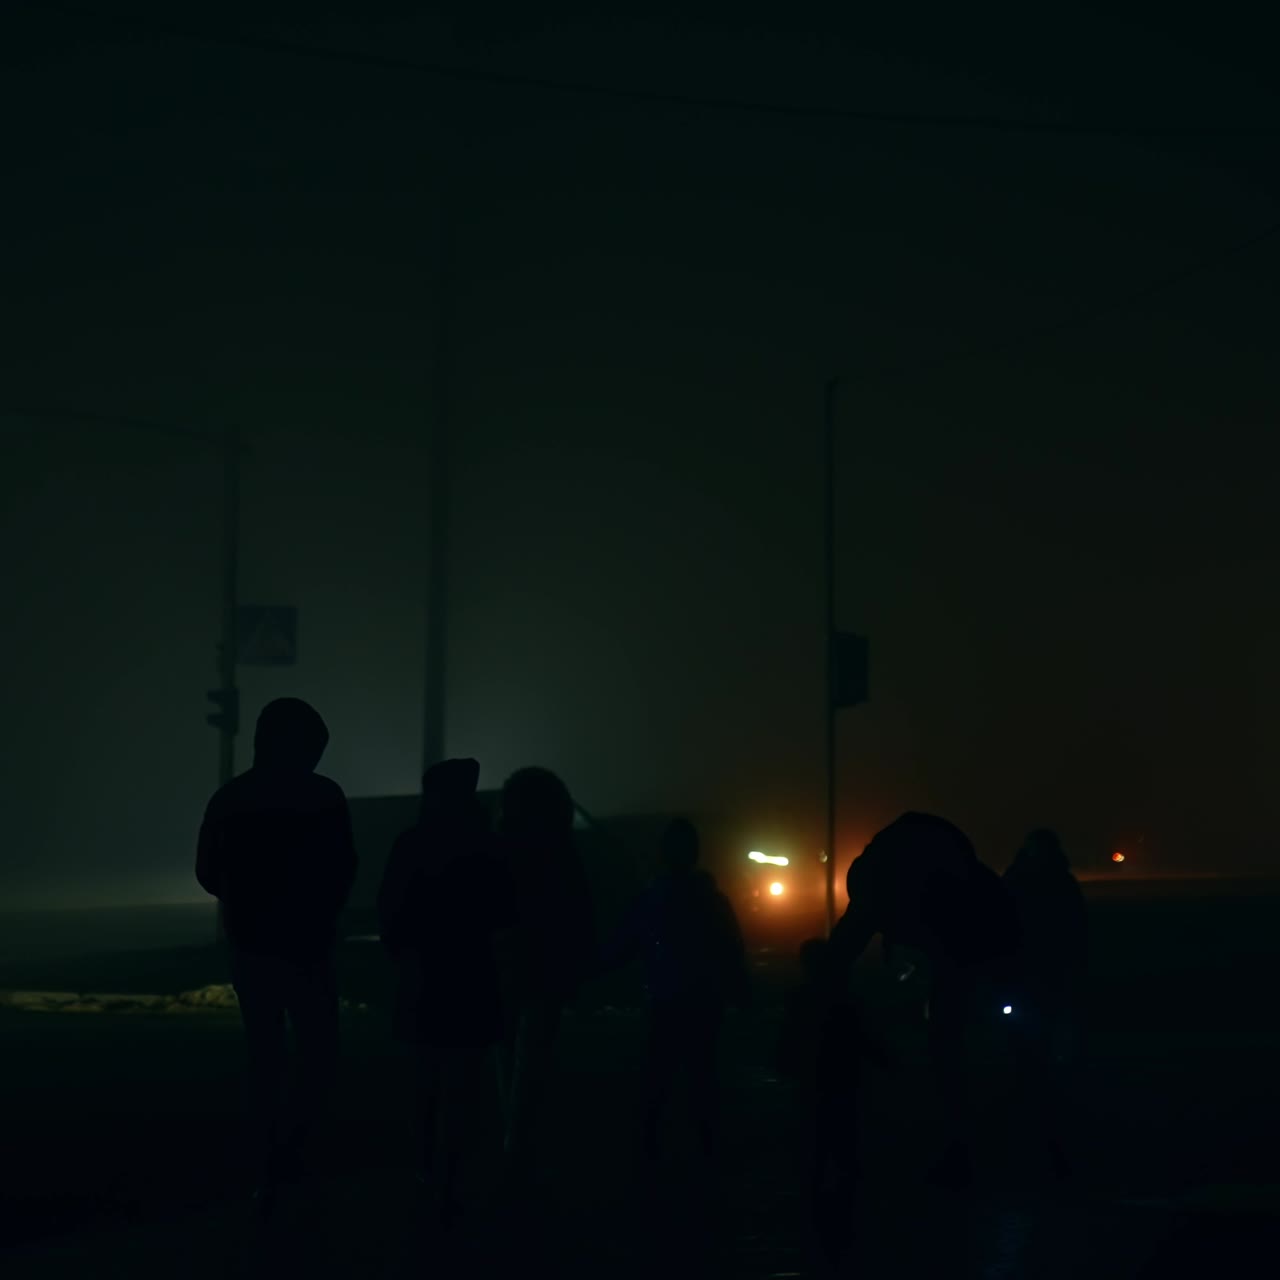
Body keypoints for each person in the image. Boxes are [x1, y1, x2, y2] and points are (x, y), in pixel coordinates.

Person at [195, 697, 356, 1208]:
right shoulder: (324, 797)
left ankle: (269, 1157)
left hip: (252, 940)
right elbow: (343, 866)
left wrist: (242, 893)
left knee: (264, 1050)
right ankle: (301, 1148)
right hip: (308, 942)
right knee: (317, 1049)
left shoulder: (231, 799)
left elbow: (206, 871)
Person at [829, 812, 1021, 1188]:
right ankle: (981, 1128)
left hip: (972, 950)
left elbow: (852, 937)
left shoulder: (894, 880)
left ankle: (966, 1136)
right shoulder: (936, 870)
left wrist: (825, 976)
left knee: (950, 1045)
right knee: (958, 1043)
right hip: (980, 949)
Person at [377, 758, 515, 1226]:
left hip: (422, 979)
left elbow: (390, 914)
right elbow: (505, 913)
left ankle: (424, 1173)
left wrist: (405, 956)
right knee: (462, 1085)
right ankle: (451, 1178)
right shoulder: (487, 846)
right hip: (472, 979)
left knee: (424, 1083)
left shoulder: (412, 845)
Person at [606, 817, 748, 1164]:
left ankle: (651, 1148)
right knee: (703, 1077)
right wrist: (740, 992)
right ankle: (706, 1147)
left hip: (665, 1001)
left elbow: (622, 947)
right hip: (704, 1003)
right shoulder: (712, 901)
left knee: (657, 1080)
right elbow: (732, 951)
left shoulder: (652, 899)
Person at [494, 767, 597, 1189]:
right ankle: (520, 1140)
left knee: (507, 1054)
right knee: (533, 1057)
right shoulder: (561, 853)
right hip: (546, 970)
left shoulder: (501, 849)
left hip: (506, 968)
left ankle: (511, 1138)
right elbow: (580, 913)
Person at [1003, 828, 1087, 1176]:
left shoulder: (1022, 882)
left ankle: (1032, 1099)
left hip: (1036, 977)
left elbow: (1074, 930)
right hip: (1033, 977)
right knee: (1032, 1040)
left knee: (1032, 1040)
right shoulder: (1052, 883)